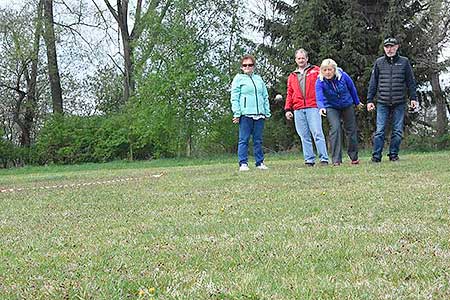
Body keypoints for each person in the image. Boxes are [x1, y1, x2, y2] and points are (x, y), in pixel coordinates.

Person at [367, 37, 418, 162]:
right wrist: (369, 100)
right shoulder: (379, 62)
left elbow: (410, 82)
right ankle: (376, 157)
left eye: (392, 46)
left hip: (399, 102)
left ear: (397, 47)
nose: (389, 49)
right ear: (384, 48)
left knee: (397, 131)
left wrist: (413, 98)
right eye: (387, 47)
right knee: (379, 131)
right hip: (382, 102)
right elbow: (373, 83)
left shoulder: (404, 62)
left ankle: (393, 155)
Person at [285, 49, 329, 166]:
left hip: (313, 106)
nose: (301, 60)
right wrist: (288, 109)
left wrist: (323, 103)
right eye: (298, 58)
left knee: (317, 133)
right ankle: (309, 160)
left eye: (303, 58)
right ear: (295, 60)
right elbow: (289, 93)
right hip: (298, 108)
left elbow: (324, 85)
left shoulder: (316, 70)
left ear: (307, 59)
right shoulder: (292, 76)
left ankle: (324, 158)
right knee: (304, 135)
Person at [315, 59, 362, 166]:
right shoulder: (320, 81)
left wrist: (357, 102)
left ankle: (354, 157)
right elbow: (319, 96)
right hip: (331, 106)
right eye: (325, 70)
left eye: (330, 70)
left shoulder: (343, 76)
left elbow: (352, 88)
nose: (327, 72)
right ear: (322, 71)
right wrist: (321, 107)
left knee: (351, 130)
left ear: (334, 70)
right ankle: (336, 160)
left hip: (346, 104)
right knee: (335, 129)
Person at [230, 54, 271, 171]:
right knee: (244, 139)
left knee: (258, 140)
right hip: (245, 114)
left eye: (250, 65)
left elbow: (264, 96)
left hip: (259, 114)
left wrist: (266, 112)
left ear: (254, 66)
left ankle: (260, 162)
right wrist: (237, 113)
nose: (247, 67)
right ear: (242, 67)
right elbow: (234, 97)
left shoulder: (259, 79)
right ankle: (243, 163)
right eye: (245, 65)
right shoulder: (238, 79)